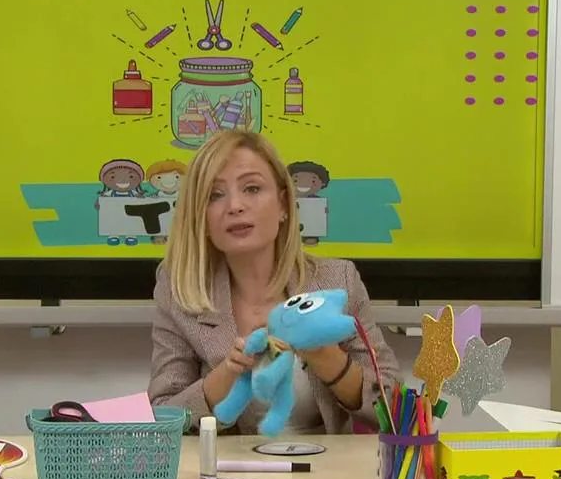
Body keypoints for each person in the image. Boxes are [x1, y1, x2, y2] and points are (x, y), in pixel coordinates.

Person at [147, 130, 401, 435]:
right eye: (215, 195)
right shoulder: (179, 291)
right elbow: (162, 415)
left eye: (252, 188)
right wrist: (227, 374)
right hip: (227, 465)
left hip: (327, 462)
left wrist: (326, 357)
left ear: (283, 205)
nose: (235, 206)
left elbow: (394, 407)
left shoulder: (337, 280)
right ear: (201, 218)